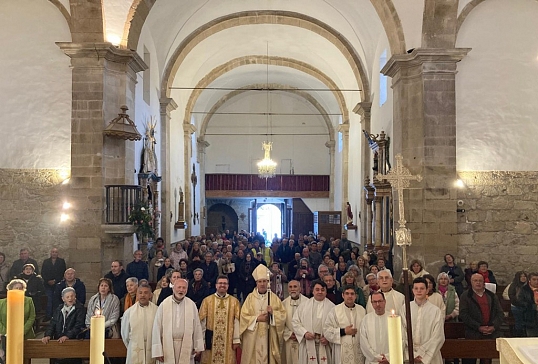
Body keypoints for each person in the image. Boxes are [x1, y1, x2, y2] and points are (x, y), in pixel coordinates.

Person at [240, 264, 286, 364]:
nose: (262, 284)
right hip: (253, 337)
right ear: (256, 283)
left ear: (268, 282)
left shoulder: (273, 298)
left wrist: (273, 314)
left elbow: (282, 315)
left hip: (269, 336)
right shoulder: (250, 298)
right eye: (260, 281)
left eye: (264, 281)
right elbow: (243, 316)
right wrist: (257, 318)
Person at [151, 278, 204, 364]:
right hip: (167, 346)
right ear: (173, 288)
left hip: (186, 345)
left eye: (184, 288)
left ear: (187, 290)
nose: (181, 290)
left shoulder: (191, 304)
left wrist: (197, 345)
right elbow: (157, 327)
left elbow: (197, 326)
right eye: (179, 287)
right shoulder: (164, 304)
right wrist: (157, 350)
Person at [459, 274, 504, 364]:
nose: (478, 283)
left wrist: (493, 326)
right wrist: (478, 327)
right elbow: (463, 315)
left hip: (490, 333)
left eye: (480, 280)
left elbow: (500, 313)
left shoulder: (491, 296)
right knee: (470, 359)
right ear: (471, 282)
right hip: (472, 333)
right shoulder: (466, 296)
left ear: (484, 282)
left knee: (486, 359)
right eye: (475, 281)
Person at [199, 276, 241, 364]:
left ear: (228, 286)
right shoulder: (207, 300)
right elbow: (202, 322)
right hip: (210, 340)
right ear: (216, 285)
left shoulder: (234, 302)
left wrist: (236, 339)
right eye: (220, 283)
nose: (222, 285)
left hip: (228, 341)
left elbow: (237, 322)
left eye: (225, 283)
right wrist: (202, 340)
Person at [292, 280, 336, 364]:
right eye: (317, 289)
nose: (320, 292)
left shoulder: (333, 308)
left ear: (326, 292)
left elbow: (336, 326)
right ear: (313, 291)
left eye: (322, 290)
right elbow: (295, 322)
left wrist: (328, 338)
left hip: (325, 344)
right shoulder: (303, 306)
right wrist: (304, 333)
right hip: (308, 343)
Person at [404, 277, 445, 364]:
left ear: (427, 290)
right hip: (409, 355)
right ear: (412, 290)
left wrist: (422, 355)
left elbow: (438, 336)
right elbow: (402, 332)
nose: (419, 291)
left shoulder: (435, 310)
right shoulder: (405, 308)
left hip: (430, 356)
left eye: (422, 288)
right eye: (416, 288)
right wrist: (412, 354)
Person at [42, 287, 86, 364]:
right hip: (58, 340)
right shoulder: (59, 309)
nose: (70, 298)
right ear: (63, 299)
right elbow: (53, 323)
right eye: (67, 297)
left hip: (73, 341)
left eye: (72, 296)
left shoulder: (80, 308)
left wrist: (67, 336)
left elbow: (79, 325)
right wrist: (48, 335)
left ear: (75, 296)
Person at [324, 285, 366, 364]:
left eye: (352, 294)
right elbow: (327, 330)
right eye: (347, 293)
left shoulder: (362, 310)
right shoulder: (335, 311)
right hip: (342, 350)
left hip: (359, 350)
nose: (350, 296)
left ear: (356, 296)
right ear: (343, 295)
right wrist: (343, 331)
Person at [121, 280, 158, 364]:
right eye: (140, 293)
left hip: (151, 347)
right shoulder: (129, 312)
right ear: (137, 295)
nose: (143, 295)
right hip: (135, 348)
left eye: (146, 293)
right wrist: (132, 345)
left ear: (150, 295)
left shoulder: (157, 311)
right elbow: (125, 334)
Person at [360, 291, 402, 364]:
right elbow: (364, 343)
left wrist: (388, 357)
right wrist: (377, 358)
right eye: (374, 302)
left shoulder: (394, 319)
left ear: (385, 301)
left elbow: (401, 340)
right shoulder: (366, 320)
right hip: (372, 362)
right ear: (371, 303)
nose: (377, 304)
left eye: (380, 301)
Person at [282, 280, 309, 364]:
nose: (293, 289)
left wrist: (301, 333)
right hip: (289, 339)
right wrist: (289, 333)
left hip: (303, 339)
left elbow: (310, 321)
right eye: (290, 287)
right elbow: (280, 322)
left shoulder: (307, 303)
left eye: (295, 286)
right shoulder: (283, 304)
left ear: (300, 288)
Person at [41, 247, 67, 320]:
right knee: (49, 300)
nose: (54, 253)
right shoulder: (46, 261)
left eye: (55, 252)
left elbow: (63, 272)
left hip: (58, 284)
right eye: (53, 252)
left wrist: (55, 280)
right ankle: (48, 315)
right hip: (48, 284)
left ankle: (56, 315)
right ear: (50, 253)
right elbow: (43, 272)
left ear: (57, 253)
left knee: (56, 299)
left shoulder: (61, 261)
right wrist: (48, 280)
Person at [517, 271, 538, 337]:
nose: (536, 282)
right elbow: (520, 301)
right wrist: (533, 306)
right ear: (529, 280)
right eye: (534, 280)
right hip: (529, 318)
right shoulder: (524, 289)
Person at [508, 270, 527, 337]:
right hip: (516, 306)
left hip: (526, 307)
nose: (523, 278)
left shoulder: (528, 286)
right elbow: (512, 296)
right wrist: (521, 303)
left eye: (524, 276)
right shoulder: (514, 285)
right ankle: (518, 335)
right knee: (519, 322)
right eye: (521, 276)